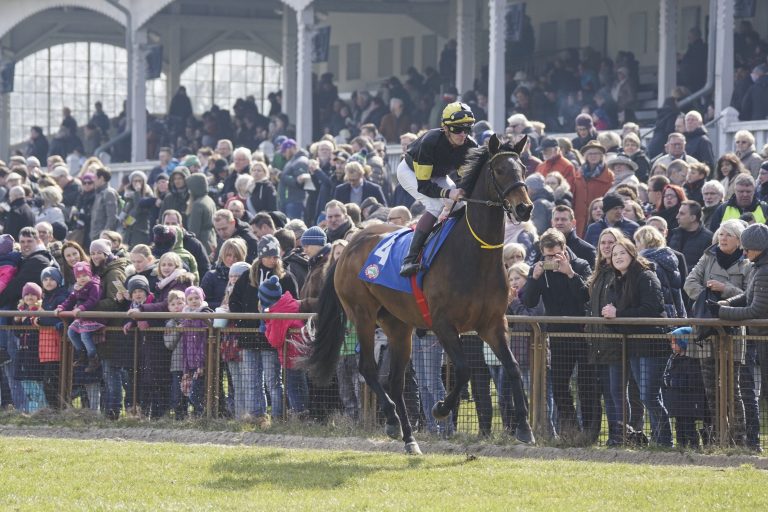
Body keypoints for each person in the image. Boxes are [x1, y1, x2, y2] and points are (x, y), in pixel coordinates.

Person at [523, 228, 597, 441]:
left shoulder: (581, 265)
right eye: (547, 256)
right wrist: (534, 278)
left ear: (564, 250)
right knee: (559, 386)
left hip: (582, 335)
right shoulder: (539, 269)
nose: (551, 259)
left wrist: (570, 274)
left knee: (586, 386)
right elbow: (528, 302)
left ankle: (589, 433)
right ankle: (571, 430)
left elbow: (585, 297)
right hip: (557, 336)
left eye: (556, 255)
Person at [684, 219, 749, 446]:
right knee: (710, 388)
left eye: (729, 235)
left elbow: (749, 295)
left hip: (732, 331)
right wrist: (708, 298)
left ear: (739, 240)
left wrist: (725, 290)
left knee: (733, 388)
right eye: (721, 234)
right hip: (705, 330)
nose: (723, 238)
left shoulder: (747, 263)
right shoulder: (707, 256)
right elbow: (689, 283)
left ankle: (738, 439)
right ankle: (716, 437)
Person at [602, 238, 672, 447]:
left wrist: (618, 314)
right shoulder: (615, 282)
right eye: (614, 254)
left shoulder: (646, 277)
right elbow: (616, 317)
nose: (618, 257)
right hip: (633, 346)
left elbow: (651, 309)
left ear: (632, 254)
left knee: (649, 395)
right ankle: (659, 440)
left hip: (652, 343)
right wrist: (608, 316)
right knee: (646, 395)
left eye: (622, 253)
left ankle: (664, 440)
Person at [396, 102, 477, 276]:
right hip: (411, 172)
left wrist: (461, 190)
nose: (463, 134)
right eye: (457, 129)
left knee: (460, 206)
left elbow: (466, 179)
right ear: (446, 128)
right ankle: (409, 259)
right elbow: (424, 185)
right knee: (435, 205)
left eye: (467, 129)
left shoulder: (470, 146)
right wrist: (449, 192)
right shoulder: (430, 141)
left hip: (438, 174)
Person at [713, 222, 768, 452]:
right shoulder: (758, 266)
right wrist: (725, 302)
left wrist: (722, 312)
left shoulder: (764, 270)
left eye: (748, 248)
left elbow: (757, 311)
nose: (744, 252)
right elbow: (747, 296)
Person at [586, 228, 627, 446]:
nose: (607, 246)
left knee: (616, 392)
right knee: (606, 393)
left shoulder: (620, 272)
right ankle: (613, 435)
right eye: (603, 242)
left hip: (614, 341)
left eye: (611, 242)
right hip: (597, 342)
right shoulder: (599, 272)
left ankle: (622, 435)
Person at [662, 327, 706, 448]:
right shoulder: (673, 358)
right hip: (676, 399)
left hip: (687, 400)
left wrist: (675, 382)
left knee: (688, 424)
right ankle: (681, 444)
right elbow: (667, 373)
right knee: (678, 424)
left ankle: (693, 444)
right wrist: (667, 381)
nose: (671, 345)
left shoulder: (692, 360)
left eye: (674, 342)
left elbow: (692, 379)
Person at [56, 261, 102, 372]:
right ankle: (81, 354)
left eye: (85, 275)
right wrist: (61, 307)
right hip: (81, 318)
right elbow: (70, 300)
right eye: (79, 276)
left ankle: (93, 358)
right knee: (71, 332)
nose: (82, 278)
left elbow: (93, 300)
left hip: (91, 317)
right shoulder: (77, 288)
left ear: (90, 274)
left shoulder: (94, 286)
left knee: (85, 336)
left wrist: (81, 308)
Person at [573, 141, 614, 236]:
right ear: (585, 156)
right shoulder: (578, 174)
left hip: (599, 219)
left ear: (601, 156)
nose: (593, 156)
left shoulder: (609, 176)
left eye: (596, 153)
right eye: (590, 153)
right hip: (579, 220)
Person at [668, 200, 713, 271]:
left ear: (693, 218)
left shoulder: (708, 238)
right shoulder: (675, 234)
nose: (677, 216)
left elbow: (706, 266)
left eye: (682, 214)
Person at [120, 171, 154, 247]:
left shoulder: (148, 196)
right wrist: (122, 221)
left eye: (139, 181)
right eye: (135, 181)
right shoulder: (128, 195)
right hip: (128, 234)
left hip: (140, 234)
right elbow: (125, 210)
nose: (137, 183)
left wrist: (137, 193)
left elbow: (137, 208)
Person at [185, 173, 217, 255]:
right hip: (211, 239)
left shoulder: (198, 205)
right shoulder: (209, 200)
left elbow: (193, 231)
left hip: (202, 243)